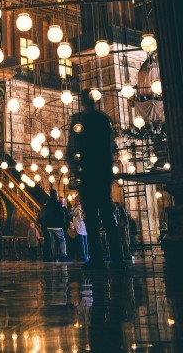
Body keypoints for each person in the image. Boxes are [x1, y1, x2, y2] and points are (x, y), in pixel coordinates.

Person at [67, 89, 124, 268]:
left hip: (88, 173)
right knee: (107, 215)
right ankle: (116, 257)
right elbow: (111, 147)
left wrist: (74, 169)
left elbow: (73, 147)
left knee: (91, 217)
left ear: (82, 101)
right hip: (102, 173)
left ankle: (97, 259)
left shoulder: (79, 120)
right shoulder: (103, 119)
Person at [42, 189, 71, 262]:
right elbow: (61, 215)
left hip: (49, 226)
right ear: (56, 195)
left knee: (53, 241)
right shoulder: (57, 204)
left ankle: (54, 257)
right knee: (62, 240)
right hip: (57, 226)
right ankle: (63, 256)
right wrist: (62, 224)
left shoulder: (47, 205)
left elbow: (45, 215)